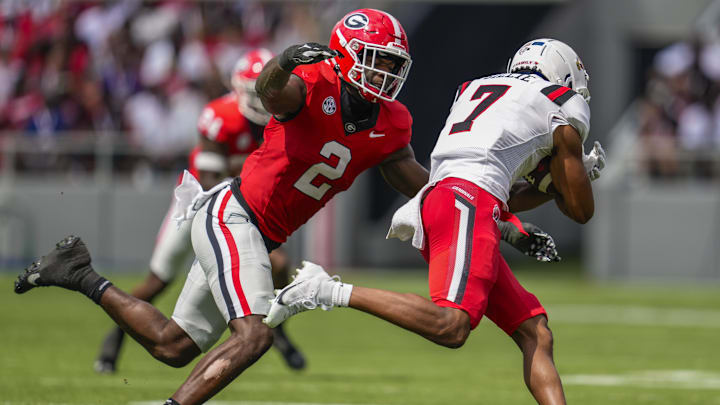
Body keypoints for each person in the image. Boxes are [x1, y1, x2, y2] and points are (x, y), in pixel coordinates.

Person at [15, 11, 557, 404]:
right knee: (254, 336)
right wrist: (281, 62)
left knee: (173, 346)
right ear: (343, 54)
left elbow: (428, 188)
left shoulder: (392, 123)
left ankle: (81, 274)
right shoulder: (309, 83)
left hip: (256, 230)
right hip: (233, 215)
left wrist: (506, 227)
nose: (385, 74)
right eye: (375, 60)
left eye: (393, 65)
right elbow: (273, 93)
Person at [264, 38, 606, 405]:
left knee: (535, 331)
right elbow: (581, 211)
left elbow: (501, 191)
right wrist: (578, 174)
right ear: (564, 73)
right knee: (452, 325)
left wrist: (550, 183)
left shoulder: (476, 87)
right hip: (466, 202)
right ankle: (324, 290)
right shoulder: (560, 102)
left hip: (447, 199)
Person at [94, 49, 308, 374]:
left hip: (242, 211)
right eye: (256, 92)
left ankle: (277, 330)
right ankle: (115, 337)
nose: (265, 99)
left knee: (279, 265)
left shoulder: (287, 115)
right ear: (238, 88)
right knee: (157, 282)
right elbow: (211, 179)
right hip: (200, 205)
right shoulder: (221, 115)